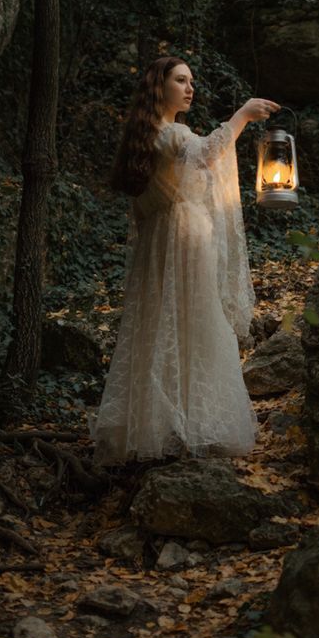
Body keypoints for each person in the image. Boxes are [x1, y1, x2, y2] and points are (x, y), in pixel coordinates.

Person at [87, 55, 280, 467]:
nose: (190, 88)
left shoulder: (150, 136)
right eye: (181, 80)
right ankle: (192, 424)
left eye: (192, 81)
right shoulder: (170, 134)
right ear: (161, 86)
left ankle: (169, 423)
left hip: (167, 241)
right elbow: (210, 152)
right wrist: (243, 114)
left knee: (165, 325)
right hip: (183, 240)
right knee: (193, 322)